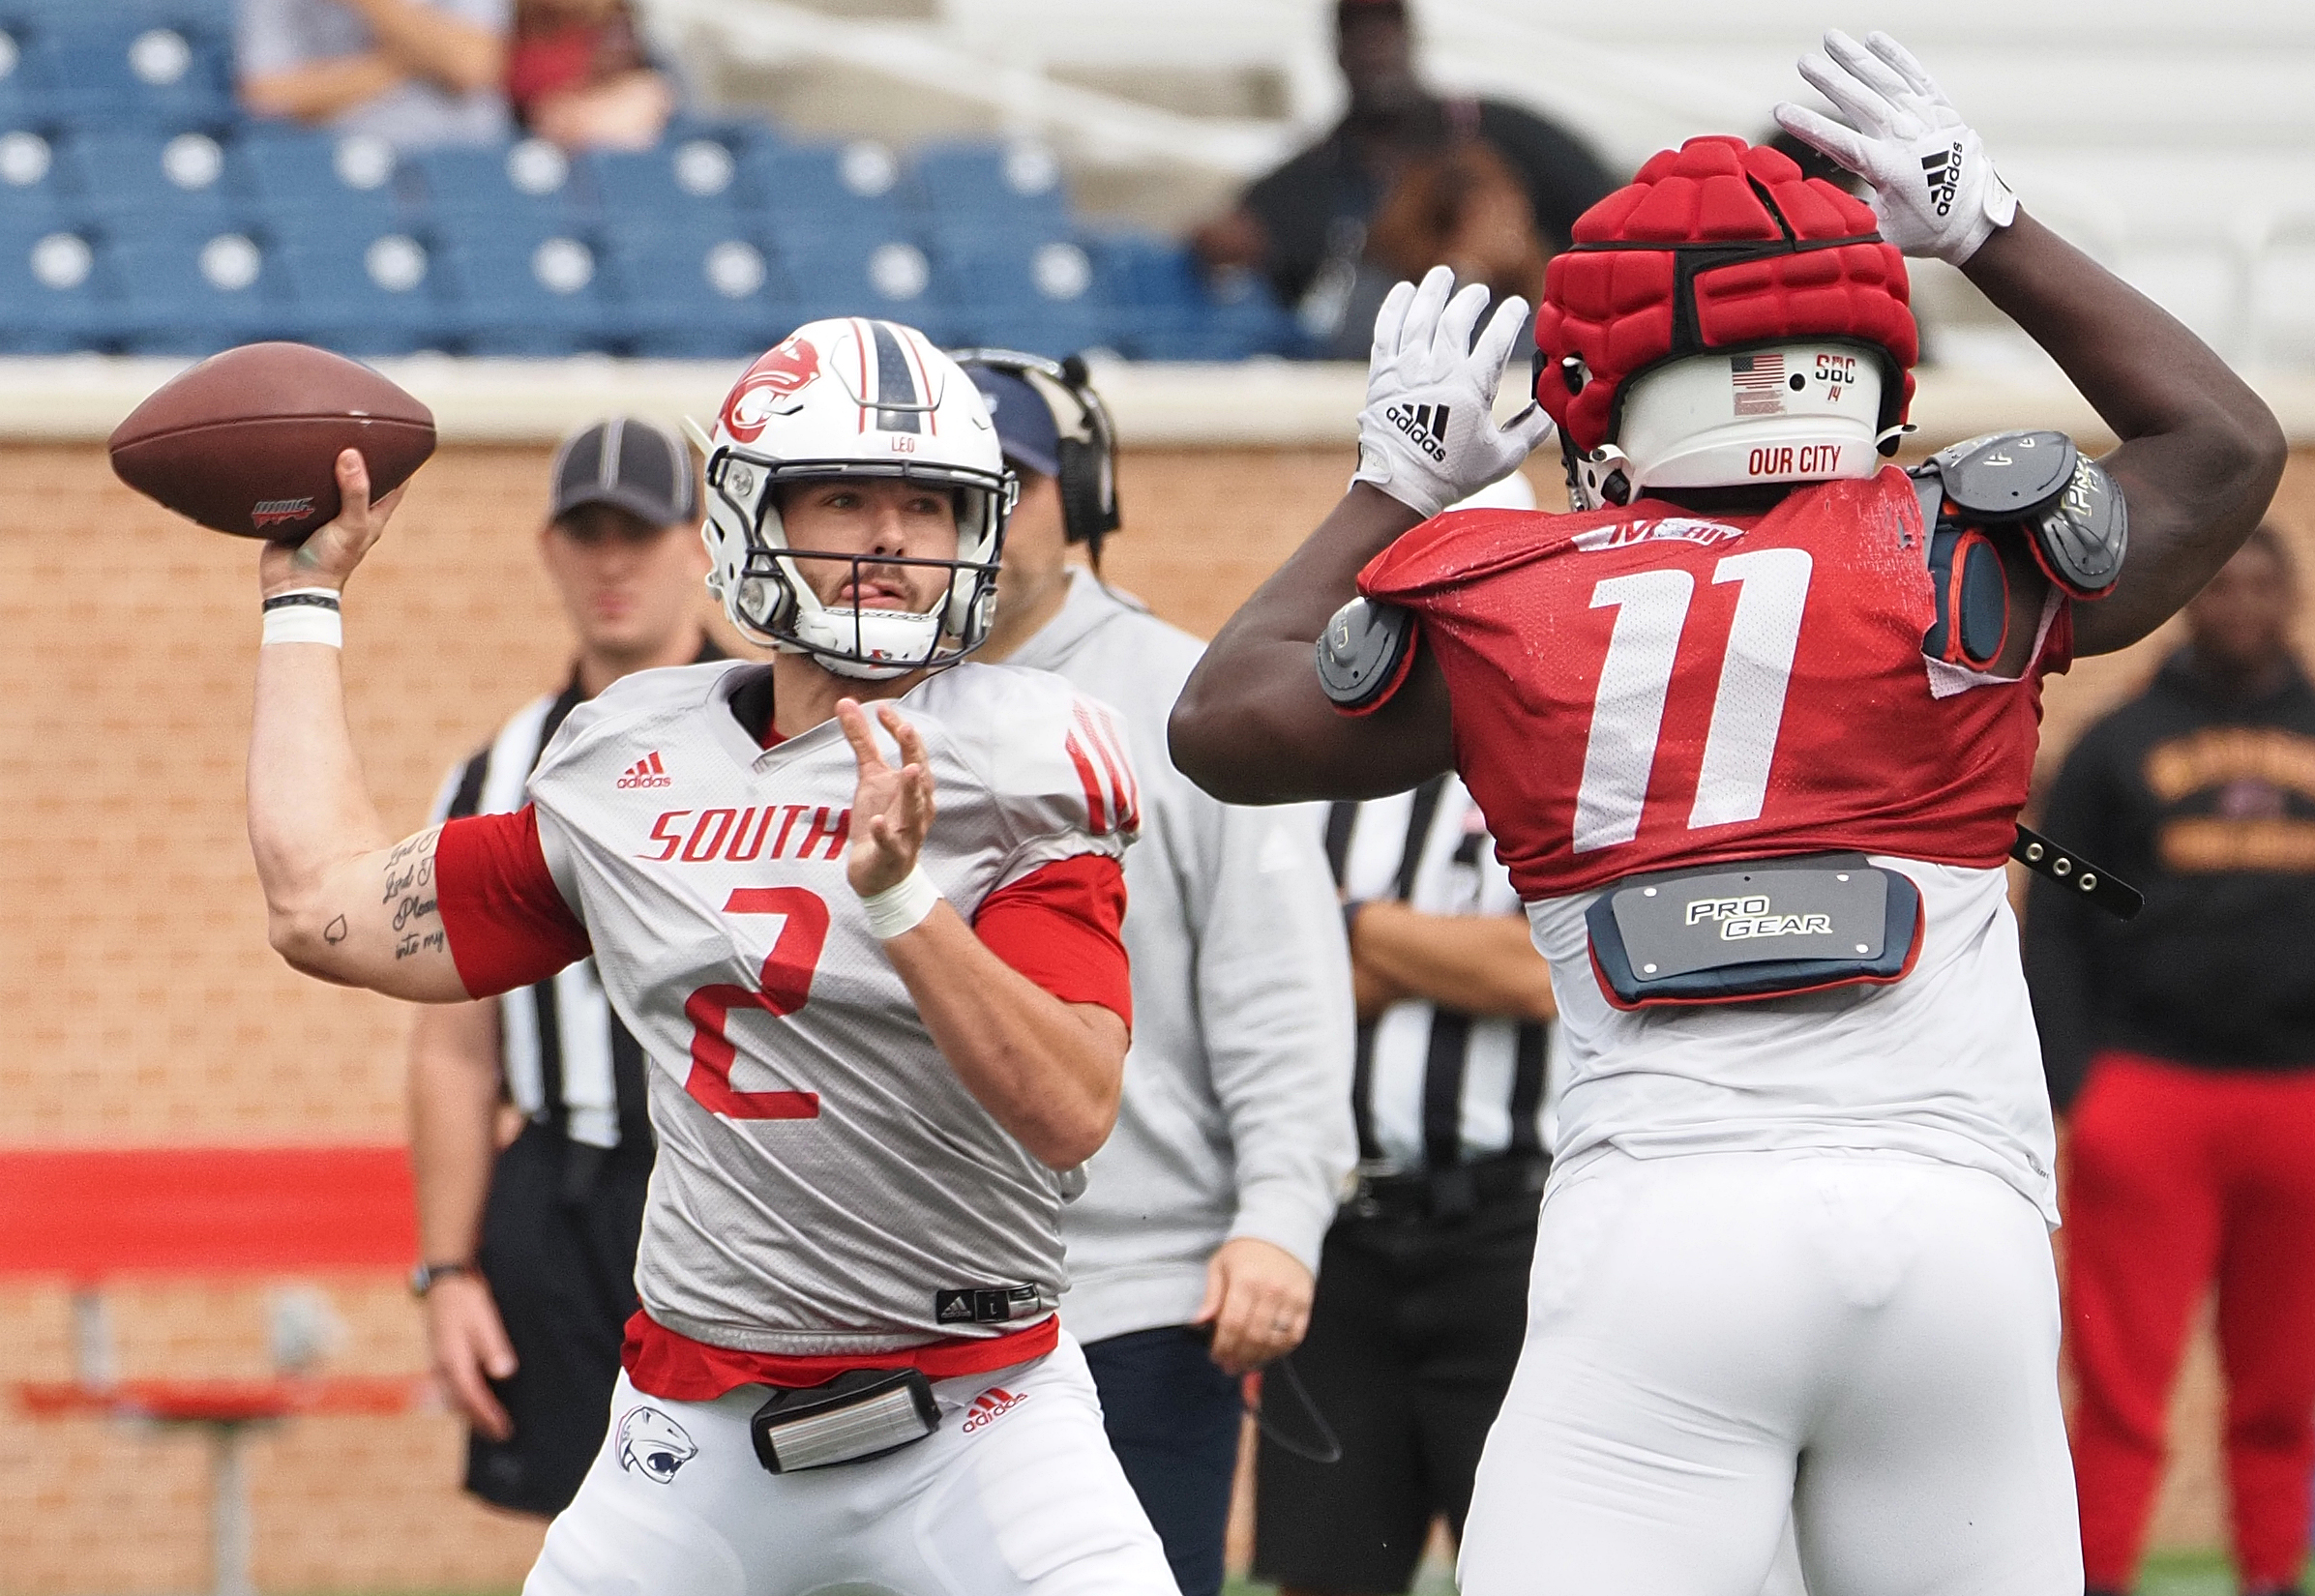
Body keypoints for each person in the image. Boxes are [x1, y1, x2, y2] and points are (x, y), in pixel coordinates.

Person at [1169, 29, 2286, 1596]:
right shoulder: (1960, 547)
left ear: (1596, 398)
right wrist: (1986, 227)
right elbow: (2228, 447)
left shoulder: (1513, 597)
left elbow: (1222, 724)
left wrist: (1392, 490)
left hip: (1667, 1233)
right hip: (1953, 1235)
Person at [243, 319, 1176, 1596]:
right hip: (693, 1431)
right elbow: (321, 909)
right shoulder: (632, 758)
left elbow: (1070, 1105)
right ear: (746, 516)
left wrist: (906, 905)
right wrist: (305, 600)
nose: (890, 538)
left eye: (927, 504)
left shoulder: (1020, 759)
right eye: (844, 496)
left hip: (979, 1417)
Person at [958, 351, 1357, 1596]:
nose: (972, 524)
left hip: (1131, 1298)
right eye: (944, 492)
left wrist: (1279, 1222)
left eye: (1006, 484)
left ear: (1079, 493)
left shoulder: (1176, 702)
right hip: (913, 1300)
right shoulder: (874, 695)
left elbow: (1276, 986)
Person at [407, 416, 715, 1518]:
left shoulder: (783, 732)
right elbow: (454, 1044)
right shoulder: (497, 769)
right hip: (564, 1193)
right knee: (582, 1539)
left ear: (701, 543)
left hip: (741, 1195)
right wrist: (446, 1272)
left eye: (639, 530)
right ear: (550, 551)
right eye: (586, 533)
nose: (613, 562)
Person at [2025, 526, 2315, 1596]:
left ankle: (2271, 1577)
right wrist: (2075, 1089)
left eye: (2259, 578)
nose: (2238, 597)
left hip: (2297, 1100)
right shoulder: (2116, 747)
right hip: (2146, 1098)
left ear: (2287, 595)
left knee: (2282, 1391)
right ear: (2191, 595)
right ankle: (2099, 1578)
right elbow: (2052, 922)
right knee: (2118, 1386)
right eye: (2220, 577)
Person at [1255, 639, 1557, 1596]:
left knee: (1540, 1565)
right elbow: (1271, 978)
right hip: (1340, 1245)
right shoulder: (1314, 784)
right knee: (1326, 1574)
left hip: (1509, 1240)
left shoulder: (1554, 770)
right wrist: (1439, 955)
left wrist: (1347, 924)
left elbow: (1539, 972)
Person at [1192, 0, 1615, 354]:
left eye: (1386, 26)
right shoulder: (1304, 184)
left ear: (1410, 35)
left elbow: (1609, 220)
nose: (1375, 45)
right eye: (1358, 30)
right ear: (1337, 48)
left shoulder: (1512, 137)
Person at [238, 0, 512, 150]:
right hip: (336, 164)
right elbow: (266, 96)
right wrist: (426, 52)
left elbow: (477, 67)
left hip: (462, 160)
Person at [506, 0, 674, 151]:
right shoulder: (510, 25)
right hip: (525, 138)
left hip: (598, 130)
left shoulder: (616, 23)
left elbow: (643, 90)